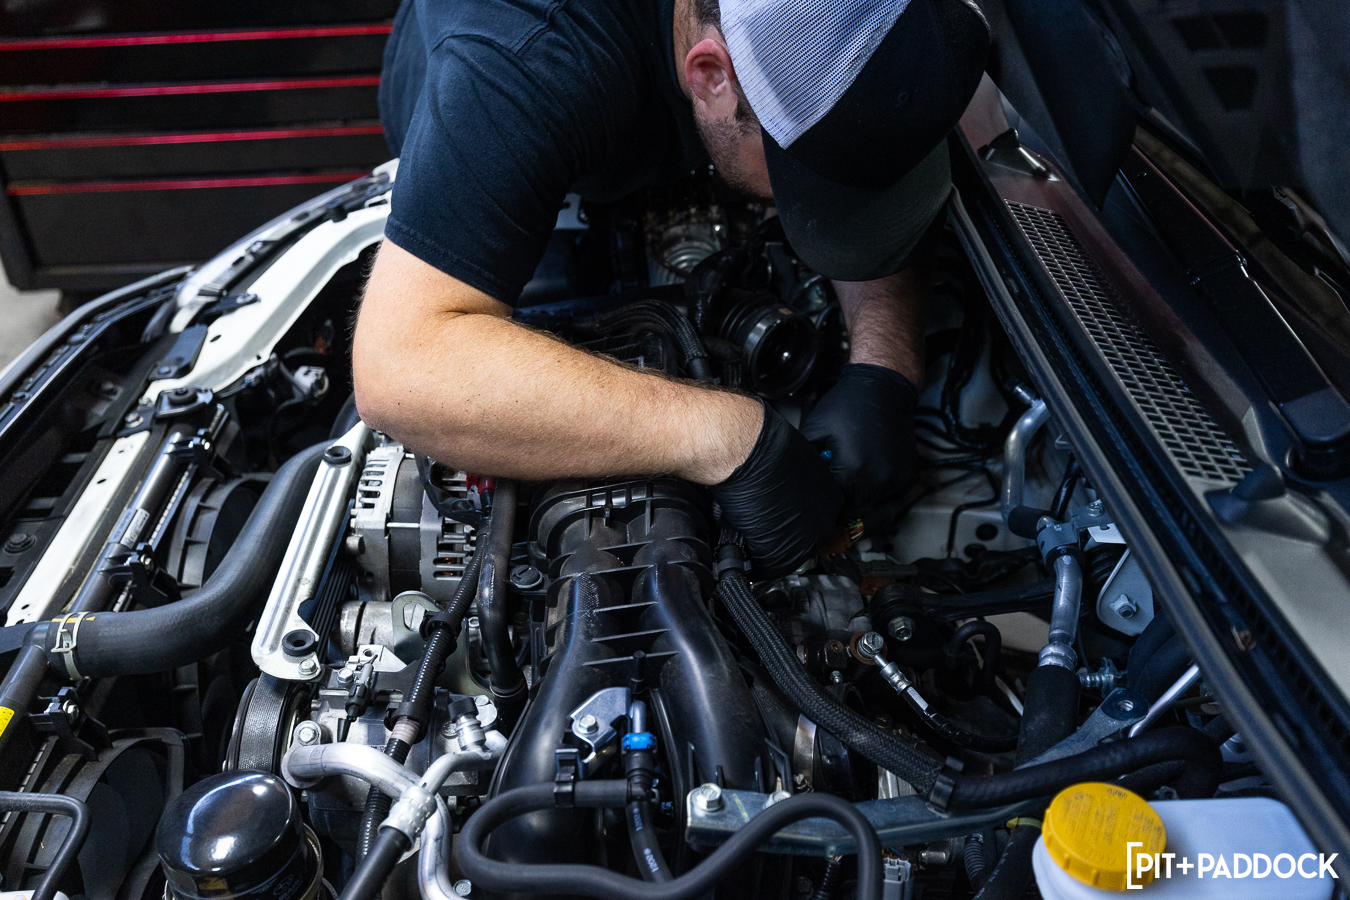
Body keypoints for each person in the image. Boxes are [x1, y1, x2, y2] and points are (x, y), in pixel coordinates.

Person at [354, 0, 989, 575]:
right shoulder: (527, 64)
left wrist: (884, 365)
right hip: (507, 115)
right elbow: (403, 364)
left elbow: (884, 150)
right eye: (814, 176)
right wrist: (727, 437)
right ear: (710, 77)